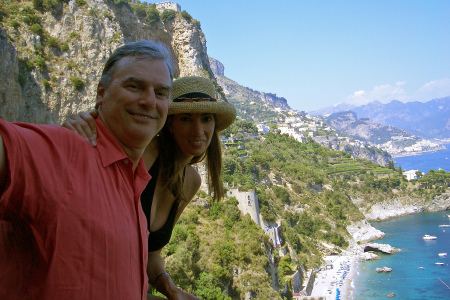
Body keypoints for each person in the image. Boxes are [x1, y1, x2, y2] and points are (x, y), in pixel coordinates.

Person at [0, 40, 175, 300]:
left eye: (161, 93)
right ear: (101, 93)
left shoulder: (135, 181)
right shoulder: (65, 151)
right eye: (134, 86)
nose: (149, 101)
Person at [63, 76, 237, 299]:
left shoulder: (191, 181)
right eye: (185, 119)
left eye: (206, 119)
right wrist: (77, 126)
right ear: (170, 123)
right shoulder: (141, 154)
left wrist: (170, 288)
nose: (198, 130)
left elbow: (150, 251)